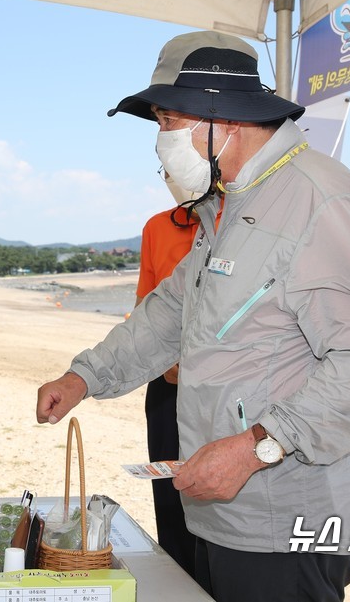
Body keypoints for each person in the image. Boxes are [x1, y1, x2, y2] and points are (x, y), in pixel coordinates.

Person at [36, 31, 350, 602]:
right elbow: (170, 312)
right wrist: (85, 375)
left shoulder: (319, 199)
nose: (162, 140)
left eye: (168, 121)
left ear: (221, 117)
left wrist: (258, 446)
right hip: (229, 506)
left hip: (290, 513)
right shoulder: (230, 206)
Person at [135, 173, 221, 577]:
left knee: (221, 492)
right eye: (163, 171)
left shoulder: (242, 222)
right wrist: (163, 360)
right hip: (168, 384)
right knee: (171, 496)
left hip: (227, 390)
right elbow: (147, 309)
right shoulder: (157, 227)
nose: (171, 176)